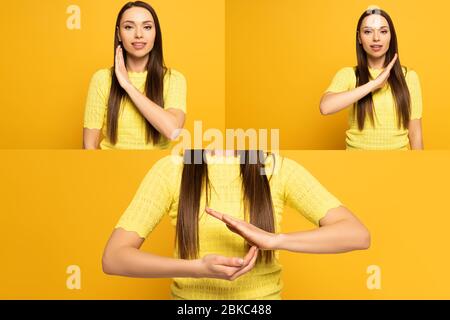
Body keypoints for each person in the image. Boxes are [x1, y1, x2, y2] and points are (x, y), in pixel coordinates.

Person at [102, 150, 370, 300]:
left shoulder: (276, 168)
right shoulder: (172, 168)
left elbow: (357, 235)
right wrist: (196, 269)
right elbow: (114, 258)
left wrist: (275, 240)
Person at [83, 1, 186, 150]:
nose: (138, 34)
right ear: (119, 34)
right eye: (129, 27)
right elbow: (89, 145)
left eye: (147, 27)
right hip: (111, 169)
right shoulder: (102, 79)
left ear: (155, 33)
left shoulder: (173, 79)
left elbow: (173, 131)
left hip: (157, 170)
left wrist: (128, 86)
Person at [320, 6, 423, 150]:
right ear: (359, 38)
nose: (376, 38)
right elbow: (325, 107)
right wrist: (374, 84)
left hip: (399, 164)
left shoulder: (408, 77)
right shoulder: (349, 74)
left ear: (391, 36)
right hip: (356, 163)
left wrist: (417, 168)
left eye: (383, 31)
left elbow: (415, 133)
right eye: (368, 31)